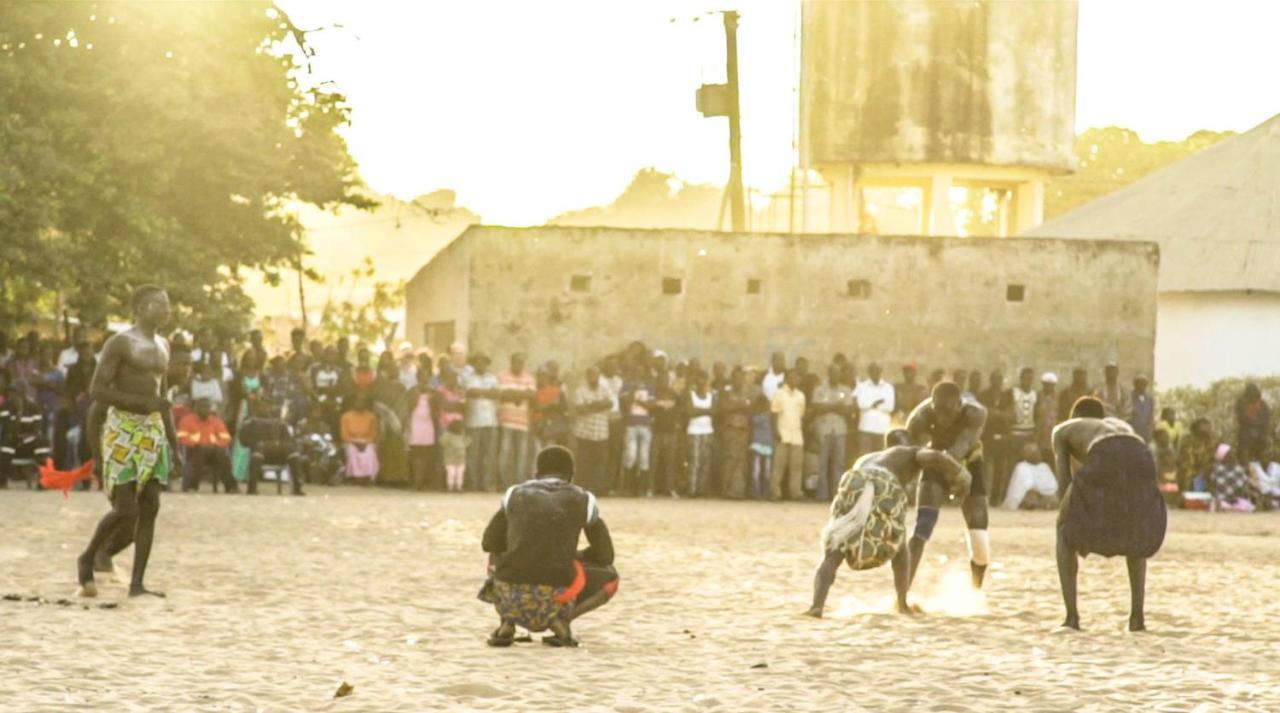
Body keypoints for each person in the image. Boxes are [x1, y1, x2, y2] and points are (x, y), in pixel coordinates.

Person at [76, 285, 179, 599]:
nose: (167, 310)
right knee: (125, 509)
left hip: (152, 431)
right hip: (122, 428)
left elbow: (162, 398)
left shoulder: (164, 345)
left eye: (168, 305)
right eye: (160, 304)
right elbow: (97, 390)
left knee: (151, 506)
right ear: (142, 306)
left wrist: (173, 444)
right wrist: (138, 404)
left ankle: (137, 585)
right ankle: (87, 556)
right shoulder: (120, 343)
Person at [805, 430, 970, 618]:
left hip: (853, 480)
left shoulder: (869, 457)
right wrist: (961, 475)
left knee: (837, 546)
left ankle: (816, 605)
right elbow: (933, 456)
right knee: (898, 546)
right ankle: (902, 603)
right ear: (908, 442)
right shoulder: (909, 451)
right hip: (883, 481)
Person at [479, 446, 619, 647]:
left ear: (536, 473)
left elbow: (490, 542)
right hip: (557, 597)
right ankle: (561, 620)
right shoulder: (584, 499)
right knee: (611, 577)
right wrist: (574, 555)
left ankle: (507, 621)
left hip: (510, 597)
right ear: (571, 475)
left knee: (497, 553)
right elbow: (605, 555)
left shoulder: (514, 494)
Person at [1052, 396, 1167, 631]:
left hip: (1106, 452)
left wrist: (1075, 524)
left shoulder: (1064, 430)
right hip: (1141, 452)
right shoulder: (1121, 426)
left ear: (1075, 416)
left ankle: (1071, 617)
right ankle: (1137, 617)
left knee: (1063, 532)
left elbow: (1064, 486)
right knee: (1135, 531)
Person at [905, 381, 990, 589]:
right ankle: (902, 591)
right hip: (935, 460)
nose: (943, 418)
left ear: (959, 405)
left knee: (979, 534)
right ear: (932, 406)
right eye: (938, 411)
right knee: (922, 526)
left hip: (969, 461)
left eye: (948, 411)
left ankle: (975, 590)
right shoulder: (919, 418)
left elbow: (961, 447)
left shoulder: (975, 414)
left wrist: (961, 481)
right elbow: (915, 452)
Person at [239, 399, 306, 496]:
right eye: (261, 406)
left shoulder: (279, 423)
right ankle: (252, 487)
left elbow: (289, 440)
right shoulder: (252, 423)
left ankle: (297, 487)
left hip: (278, 452)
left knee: (291, 449)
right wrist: (256, 443)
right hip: (261, 452)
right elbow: (243, 441)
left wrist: (279, 444)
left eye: (266, 406)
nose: (265, 408)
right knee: (259, 448)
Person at [809, 364, 852, 502]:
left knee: (839, 463)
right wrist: (836, 406)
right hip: (824, 430)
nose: (835, 375)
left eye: (838, 373)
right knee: (822, 463)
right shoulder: (819, 389)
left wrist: (827, 407)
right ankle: (822, 495)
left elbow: (847, 410)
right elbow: (817, 408)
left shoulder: (846, 390)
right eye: (833, 372)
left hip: (840, 430)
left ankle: (837, 495)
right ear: (828, 373)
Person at [176, 398, 235, 493]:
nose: (205, 409)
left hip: (213, 452)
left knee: (222, 455)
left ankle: (231, 487)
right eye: (203, 406)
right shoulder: (187, 421)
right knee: (201, 451)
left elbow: (226, 437)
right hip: (193, 451)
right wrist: (197, 444)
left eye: (207, 407)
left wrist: (217, 445)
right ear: (196, 408)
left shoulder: (216, 421)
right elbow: (181, 437)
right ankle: (192, 486)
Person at [497, 353, 537, 487]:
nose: (518, 365)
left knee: (521, 453)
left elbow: (532, 395)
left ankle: (520, 482)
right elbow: (502, 394)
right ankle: (503, 482)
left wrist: (513, 395)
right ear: (511, 362)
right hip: (506, 420)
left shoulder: (529, 378)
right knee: (505, 452)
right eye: (516, 362)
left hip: (522, 421)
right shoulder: (503, 376)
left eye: (521, 362)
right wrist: (521, 395)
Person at [571, 367, 613, 495]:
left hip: (601, 432)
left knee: (600, 462)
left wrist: (590, 405)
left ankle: (599, 489)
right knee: (583, 461)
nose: (593, 377)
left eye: (595, 374)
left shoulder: (605, 389)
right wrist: (599, 405)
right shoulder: (580, 390)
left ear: (599, 376)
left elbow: (609, 404)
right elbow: (580, 409)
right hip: (584, 432)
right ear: (587, 376)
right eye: (591, 375)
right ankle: (582, 488)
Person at [463, 353, 501, 491]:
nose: (481, 365)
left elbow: (497, 394)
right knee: (473, 454)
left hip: (490, 421)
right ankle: (473, 483)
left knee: (488, 454)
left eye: (483, 362)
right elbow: (471, 392)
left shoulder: (492, 378)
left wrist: (481, 393)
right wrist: (487, 392)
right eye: (478, 362)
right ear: (474, 364)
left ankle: (485, 484)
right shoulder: (468, 378)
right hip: (473, 421)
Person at [0, 388, 52, 488]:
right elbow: (8, 429)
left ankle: (43, 480)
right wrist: (19, 412)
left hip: (28, 443)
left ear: (23, 393)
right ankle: (2, 480)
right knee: (6, 442)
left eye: (15, 392)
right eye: (11, 392)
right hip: (12, 443)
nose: (12, 395)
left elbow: (36, 431)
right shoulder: (6, 407)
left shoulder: (34, 407)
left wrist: (23, 436)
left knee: (42, 441)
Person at [398, 368, 441, 491]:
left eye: (426, 376)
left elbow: (437, 406)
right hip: (415, 423)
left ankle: (422, 481)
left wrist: (432, 396)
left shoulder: (433, 391)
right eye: (422, 376)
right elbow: (409, 406)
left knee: (426, 453)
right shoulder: (412, 390)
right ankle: (416, 482)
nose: (424, 378)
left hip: (428, 424)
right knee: (416, 453)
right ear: (417, 378)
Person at [1001, 367, 1039, 505]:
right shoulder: (1012, 393)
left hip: (1029, 435)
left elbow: (1038, 416)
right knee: (1011, 467)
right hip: (1014, 435)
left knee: (1029, 468)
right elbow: (1006, 413)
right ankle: (1007, 497)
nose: (1028, 381)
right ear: (1021, 378)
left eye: (1030, 378)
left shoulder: (1035, 395)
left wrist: (1035, 436)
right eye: (1025, 378)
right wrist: (1008, 429)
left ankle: (1026, 499)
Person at [770, 369, 807, 501]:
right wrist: (776, 431)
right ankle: (775, 492)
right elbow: (774, 413)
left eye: (796, 378)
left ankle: (795, 492)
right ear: (786, 379)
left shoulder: (801, 395)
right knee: (779, 465)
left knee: (796, 466)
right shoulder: (779, 394)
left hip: (796, 434)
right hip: (782, 433)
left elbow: (801, 415)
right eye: (791, 378)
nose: (794, 380)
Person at [618, 365, 655, 496]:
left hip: (645, 425)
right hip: (631, 425)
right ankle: (628, 487)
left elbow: (652, 406)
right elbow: (624, 404)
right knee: (630, 456)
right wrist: (633, 393)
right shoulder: (627, 386)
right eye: (637, 372)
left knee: (644, 457)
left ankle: (642, 488)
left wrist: (639, 401)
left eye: (641, 372)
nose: (639, 374)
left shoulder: (649, 388)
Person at [716, 368, 753, 499]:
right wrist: (740, 407)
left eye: (741, 378)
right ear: (732, 379)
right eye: (736, 378)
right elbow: (723, 408)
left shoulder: (748, 393)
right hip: (730, 429)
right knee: (729, 459)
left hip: (743, 429)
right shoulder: (726, 393)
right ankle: (726, 490)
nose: (739, 381)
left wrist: (738, 407)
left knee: (741, 461)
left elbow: (751, 409)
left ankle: (738, 491)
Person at [854, 363, 895, 459]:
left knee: (881, 458)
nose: (875, 373)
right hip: (866, 428)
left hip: (882, 429)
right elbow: (861, 404)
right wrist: (877, 403)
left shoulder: (888, 387)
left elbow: (890, 407)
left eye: (877, 371)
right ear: (869, 372)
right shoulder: (862, 386)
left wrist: (871, 404)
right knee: (864, 458)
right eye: (872, 371)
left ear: (881, 372)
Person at [1001, 442, 1059, 510]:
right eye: (1032, 453)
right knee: (1031, 497)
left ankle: (1044, 504)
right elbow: (1025, 485)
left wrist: (1043, 491)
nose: (1036, 455)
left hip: (1045, 493)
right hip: (1028, 494)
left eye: (1037, 453)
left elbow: (1053, 484)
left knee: (1053, 499)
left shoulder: (1044, 466)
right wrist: (1036, 489)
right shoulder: (1021, 466)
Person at [684, 370, 715, 497]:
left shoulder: (711, 396)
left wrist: (700, 411)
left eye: (704, 379)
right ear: (696, 381)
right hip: (694, 431)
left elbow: (715, 411)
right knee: (694, 461)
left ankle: (702, 489)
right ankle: (692, 489)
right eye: (700, 379)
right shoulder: (690, 395)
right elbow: (690, 412)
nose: (702, 382)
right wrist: (707, 411)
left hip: (708, 431)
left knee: (705, 461)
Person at [340, 393, 380, 482]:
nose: (360, 403)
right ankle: (355, 477)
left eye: (363, 401)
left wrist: (365, 442)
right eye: (358, 401)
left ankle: (368, 476)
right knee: (352, 450)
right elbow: (344, 435)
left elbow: (373, 434)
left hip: (366, 441)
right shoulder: (346, 416)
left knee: (370, 450)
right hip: (350, 441)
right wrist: (354, 442)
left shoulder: (371, 417)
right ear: (353, 403)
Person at [1177, 418, 1216, 494]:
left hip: (1208, 469)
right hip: (1191, 469)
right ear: (1194, 429)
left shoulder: (1214, 440)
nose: (1206, 430)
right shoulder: (1187, 440)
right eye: (1202, 428)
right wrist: (1198, 471)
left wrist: (1207, 468)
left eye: (1207, 428)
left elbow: (1217, 457)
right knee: (1187, 474)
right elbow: (1186, 459)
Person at [1209, 444, 1254, 512]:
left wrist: (1237, 497)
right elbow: (1212, 487)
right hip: (1221, 500)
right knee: (1218, 504)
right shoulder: (1216, 469)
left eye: (1233, 454)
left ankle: (1230, 508)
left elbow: (1245, 485)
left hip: (1235, 500)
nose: (1232, 456)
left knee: (1247, 506)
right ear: (1223, 457)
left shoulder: (1239, 469)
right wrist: (1217, 498)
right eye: (1229, 455)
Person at [1235, 383, 1271, 463]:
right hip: (1246, 430)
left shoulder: (1263, 404)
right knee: (1244, 448)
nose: (1253, 397)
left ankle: (1262, 466)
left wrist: (1258, 426)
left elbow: (1266, 419)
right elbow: (1240, 418)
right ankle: (1246, 465)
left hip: (1261, 430)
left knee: (1263, 448)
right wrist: (1251, 424)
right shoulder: (1241, 403)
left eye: (1254, 394)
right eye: (1251, 394)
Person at [748, 393, 774, 500]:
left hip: (757, 443)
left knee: (756, 470)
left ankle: (757, 492)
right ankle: (765, 492)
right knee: (766, 470)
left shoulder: (754, 417)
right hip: (767, 444)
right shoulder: (769, 417)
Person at [1035, 373, 1060, 462]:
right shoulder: (1037, 397)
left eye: (1051, 385)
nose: (1049, 387)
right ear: (1043, 384)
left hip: (1053, 434)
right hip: (1040, 434)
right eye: (1046, 384)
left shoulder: (1058, 398)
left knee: (1052, 461)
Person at [1129, 375, 1156, 443]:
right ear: (1135, 385)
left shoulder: (1149, 399)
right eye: (1140, 383)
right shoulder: (1129, 397)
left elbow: (1151, 414)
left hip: (1145, 432)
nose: (1142, 386)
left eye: (1144, 384)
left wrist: (1151, 427)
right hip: (1133, 430)